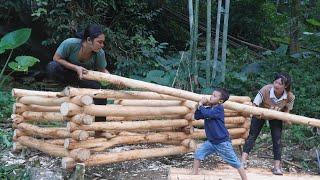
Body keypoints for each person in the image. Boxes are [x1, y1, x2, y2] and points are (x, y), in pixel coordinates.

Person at [241, 72, 295, 175]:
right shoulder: (265, 90)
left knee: (277, 140)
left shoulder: (290, 97)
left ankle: (276, 167)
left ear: (286, 86)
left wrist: (287, 119)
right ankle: (243, 161)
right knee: (252, 136)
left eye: (280, 84)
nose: (276, 85)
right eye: (275, 82)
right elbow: (254, 105)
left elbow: (287, 111)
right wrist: (257, 113)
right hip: (259, 113)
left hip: (276, 116)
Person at [191, 88, 247, 180]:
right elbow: (197, 116)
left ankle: (245, 179)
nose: (211, 97)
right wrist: (198, 106)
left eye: (214, 96)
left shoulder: (219, 109)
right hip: (212, 142)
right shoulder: (209, 109)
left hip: (222, 142)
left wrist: (201, 105)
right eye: (212, 95)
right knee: (198, 153)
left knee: (235, 163)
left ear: (220, 101)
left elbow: (208, 114)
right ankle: (194, 172)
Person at [46, 24, 109, 106]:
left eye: (103, 42)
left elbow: (102, 70)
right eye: (99, 42)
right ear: (89, 40)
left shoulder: (100, 53)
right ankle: (64, 89)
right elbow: (56, 58)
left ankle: (100, 117)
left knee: (100, 93)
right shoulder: (70, 44)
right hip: (67, 74)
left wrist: (112, 79)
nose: (102, 45)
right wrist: (76, 68)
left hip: (84, 77)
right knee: (52, 66)